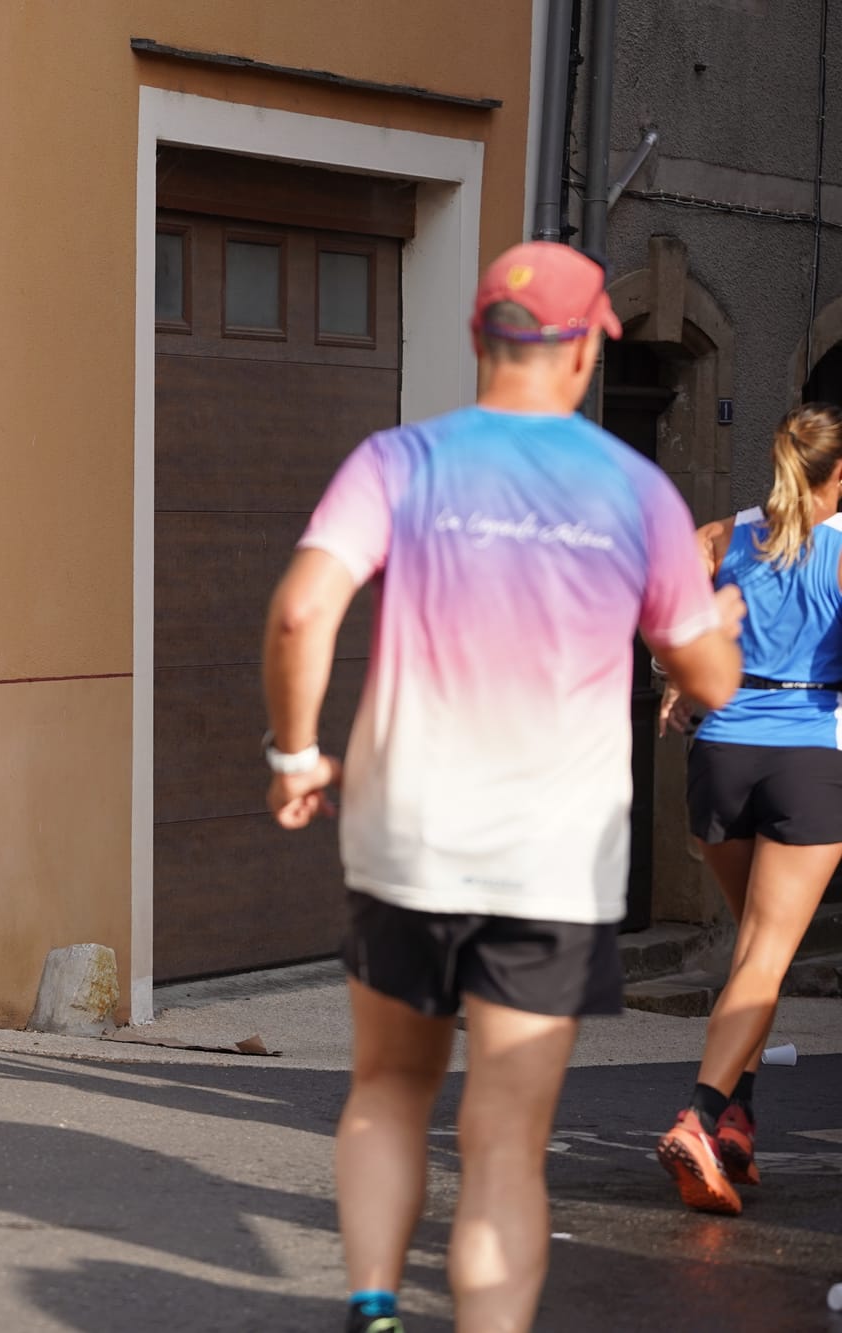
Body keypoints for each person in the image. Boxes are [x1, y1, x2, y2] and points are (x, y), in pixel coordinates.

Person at [261, 241, 744, 1333]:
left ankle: (375, 1309)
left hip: (406, 841)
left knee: (386, 1090)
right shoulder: (634, 489)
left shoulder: (396, 460)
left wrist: (296, 752)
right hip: (549, 859)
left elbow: (299, 610)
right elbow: (706, 677)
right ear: (579, 352)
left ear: (481, 339)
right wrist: (709, 626)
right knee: (501, 1142)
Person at [654, 402, 842, 1215]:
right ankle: (697, 1118)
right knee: (766, 957)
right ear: (835, 475)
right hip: (809, 755)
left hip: (721, 752)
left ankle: (740, 1118)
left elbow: (663, 610)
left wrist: (676, 679)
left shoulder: (719, 537)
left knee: (751, 952)